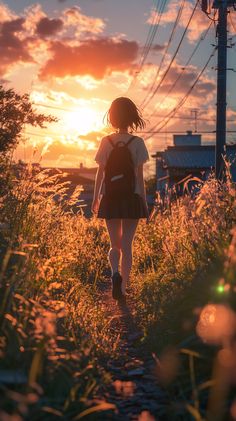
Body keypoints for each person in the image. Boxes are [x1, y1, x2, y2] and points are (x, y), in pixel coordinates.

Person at [91, 97, 149, 301]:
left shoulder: (106, 142)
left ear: (112, 116)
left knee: (114, 244)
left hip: (111, 198)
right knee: (127, 245)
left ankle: (115, 272)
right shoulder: (138, 143)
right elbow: (139, 176)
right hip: (131, 198)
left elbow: (100, 172)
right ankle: (123, 288)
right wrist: (143, 200)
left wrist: (96, 197)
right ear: (133, 117)